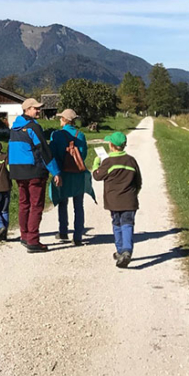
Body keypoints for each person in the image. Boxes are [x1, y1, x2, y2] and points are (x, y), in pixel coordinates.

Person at [9, 98, 61, 252]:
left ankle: (24, 236)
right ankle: (33, 240)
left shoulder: (14, 128)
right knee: (36, 206)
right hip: (34, 171)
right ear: (27, 109)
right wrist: (56, 172)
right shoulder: (33, 127)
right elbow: (44, 151)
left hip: (18, 171)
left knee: (24, 204)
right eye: (35, 108)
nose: (38, 111)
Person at [92, 131, 142, 268]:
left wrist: (96, 164)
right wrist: (135, 192)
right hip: (129, 200)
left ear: (111, 145)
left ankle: (121, 250)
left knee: (117, 224)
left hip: (113, 201)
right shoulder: (131, 160)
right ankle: (126, 250)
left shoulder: (108, 162)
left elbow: (97, 176)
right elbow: (138, 180)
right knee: (128, 224)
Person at [49, 109, 93, 246]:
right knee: (78, 205)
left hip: (63, 173)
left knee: (63, 203)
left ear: (63, 120)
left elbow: (52, 154)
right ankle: (78, 235)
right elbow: (83, 155)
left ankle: (63, 231)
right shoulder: (81, 135)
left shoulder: (55, 135)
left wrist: (57, 171)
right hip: (78, 174)